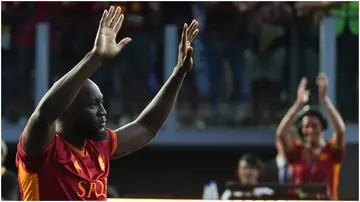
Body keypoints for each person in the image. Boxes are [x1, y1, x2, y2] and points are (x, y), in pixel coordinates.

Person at [15, 6, 199, 201]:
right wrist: (96, 57)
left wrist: (179, 73)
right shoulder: (43, 150)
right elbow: (44, 114)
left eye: (101, 104)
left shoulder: (98, 146)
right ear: (68, 111)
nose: (103, 112)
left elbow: (147, 126)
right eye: (93, 105)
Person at [276, 73, 346, 200]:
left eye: (314, 125)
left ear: (322, 128)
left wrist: (325, 100)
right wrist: (298, 103)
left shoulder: (331, 151)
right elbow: (281, 133)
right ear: (301, 130)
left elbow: (340, 131)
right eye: (306, 126)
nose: (310, 130)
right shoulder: (297, 152)